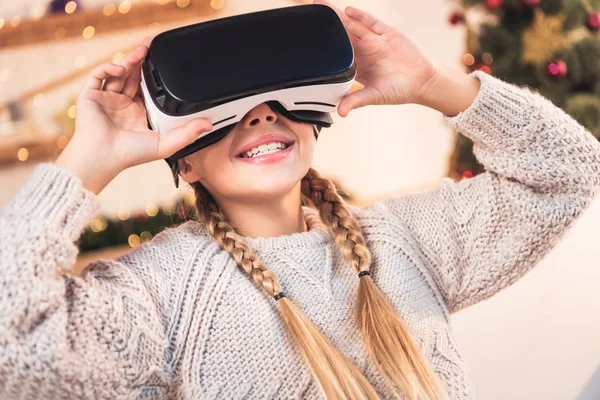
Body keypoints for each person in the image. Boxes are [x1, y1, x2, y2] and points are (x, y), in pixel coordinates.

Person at [1, 1, 599, 399]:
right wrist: (90, 156)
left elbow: (566, 171)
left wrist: (436, 85)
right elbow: (12, 334)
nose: (260, 113)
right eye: (224, 108)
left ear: (313, 120)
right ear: (182, 160)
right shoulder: (161, 294)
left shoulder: (407, 239)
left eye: (276, 98)